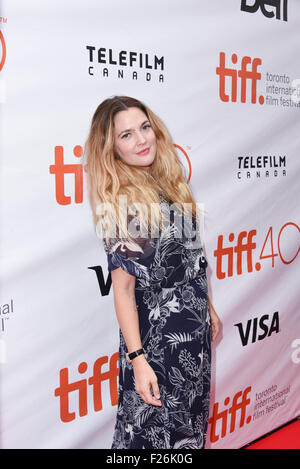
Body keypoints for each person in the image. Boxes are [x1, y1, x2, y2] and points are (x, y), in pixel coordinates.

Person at [83, 95, 220, 449]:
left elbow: (192, 261)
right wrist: (138, 361)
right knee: (151, 436)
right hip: (157, 343)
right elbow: (124, 291)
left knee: (188, 430)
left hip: (193, 332)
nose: (142, 139)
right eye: (126, 135)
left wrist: (207, 308)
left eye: (144, 127)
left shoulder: (172, 187)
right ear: (111, 148)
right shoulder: (122, 204)